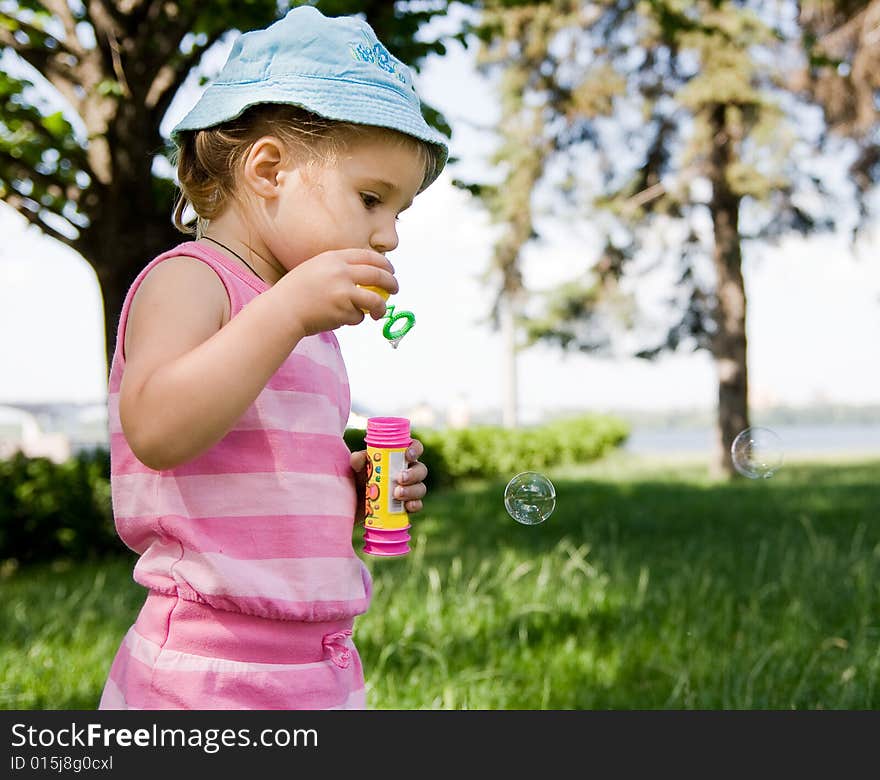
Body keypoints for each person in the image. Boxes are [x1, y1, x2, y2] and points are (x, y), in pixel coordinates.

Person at [98, 6, 448, 710]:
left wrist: (347, 488)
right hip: (205, 672)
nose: (389, 235)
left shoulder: (307, 328)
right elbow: (159, 431)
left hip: (319, 662)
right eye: (371, 198)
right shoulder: (191, 280)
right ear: (268, 169)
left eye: (398, 213)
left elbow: (255, 472)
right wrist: (285, 312)